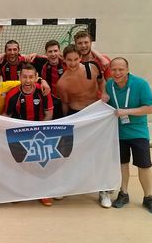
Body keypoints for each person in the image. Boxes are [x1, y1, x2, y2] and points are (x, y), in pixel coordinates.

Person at [56, 44, 111, 208]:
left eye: (75, 59)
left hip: (96, 114)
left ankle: (104, 190)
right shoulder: (62, 83)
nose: (72, 63)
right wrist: (67, 122)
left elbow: (102, 83)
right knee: (73, 154)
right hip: (76, 115)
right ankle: (67, 187)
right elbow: (65, 105)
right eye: (69, 60)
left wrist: (104, 96)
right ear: (64, 60)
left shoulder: (93, 67)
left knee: (101, 153)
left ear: (80, 58)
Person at [104, 57, 152, 214]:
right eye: (114, 69)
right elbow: (108, 106)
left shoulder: (140, 84)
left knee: (144, 165)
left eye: (121, 69)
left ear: (127, 69)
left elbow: (151, 108)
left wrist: (127, 111)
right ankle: (124, 193)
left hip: (138, 132)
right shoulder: (109, 84)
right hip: (118, 132)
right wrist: (103, 100)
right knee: (122, 164)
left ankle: (149, 197)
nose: (117, 73)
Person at [4, 63, 54, 206]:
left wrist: (40, 128)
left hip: (40, 132)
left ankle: (43, 192)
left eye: (31, 77)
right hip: (20, 133)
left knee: (41, 164)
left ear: (36, 77)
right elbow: (7, 114)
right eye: (24, 77)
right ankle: (20, 192)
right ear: (19, 77)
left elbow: (49, 113)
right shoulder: (13, 94)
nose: (27, 80)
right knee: (19, 164)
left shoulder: (43, 91)